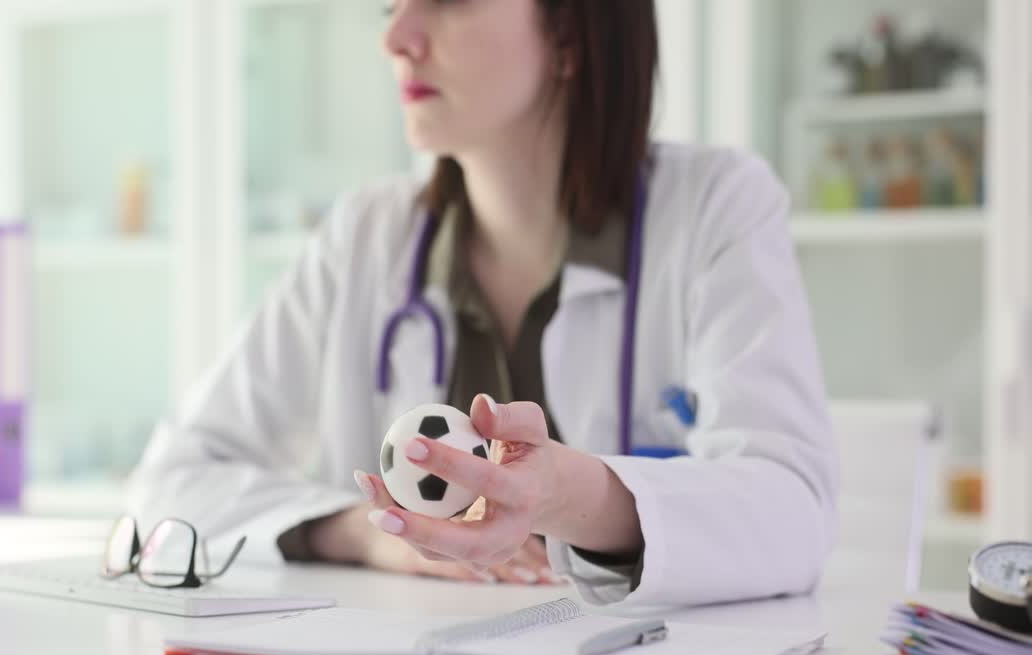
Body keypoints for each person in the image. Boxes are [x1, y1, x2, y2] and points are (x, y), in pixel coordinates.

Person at [126, 0, 837, 607]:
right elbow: (169, 487)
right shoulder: (365, 239)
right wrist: (364, 533)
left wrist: (567, 494)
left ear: (569, 33)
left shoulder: (714, 207)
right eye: (391, 4)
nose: (396, 36)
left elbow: (791, 511)